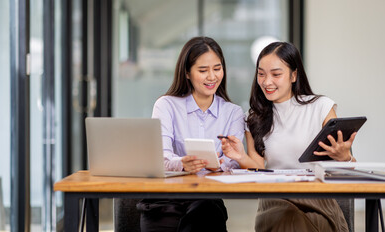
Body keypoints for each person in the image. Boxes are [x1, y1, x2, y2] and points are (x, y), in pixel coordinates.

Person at [220, 42, 354, 232]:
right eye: (261, 74)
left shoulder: (321, 107)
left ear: (293, 75)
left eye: (276, 74)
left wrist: (344, 158)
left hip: (317, 201)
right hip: (274, 201)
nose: (267, 82)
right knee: (287, 217)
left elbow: (347, 169)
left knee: (294, 221)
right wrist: (240, 157)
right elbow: (258, 169)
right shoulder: (255, 118)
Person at [137, 36, 245, 232]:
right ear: (187, 73)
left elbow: (235, 161)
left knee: (205, 212)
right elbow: (159, 157)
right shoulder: (166, 105)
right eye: (203, 70)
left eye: (217, 68)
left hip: (207, 200)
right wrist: (182, 164)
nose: (212, 77)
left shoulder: (233, 113)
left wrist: (221, 164)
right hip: (164, 201)